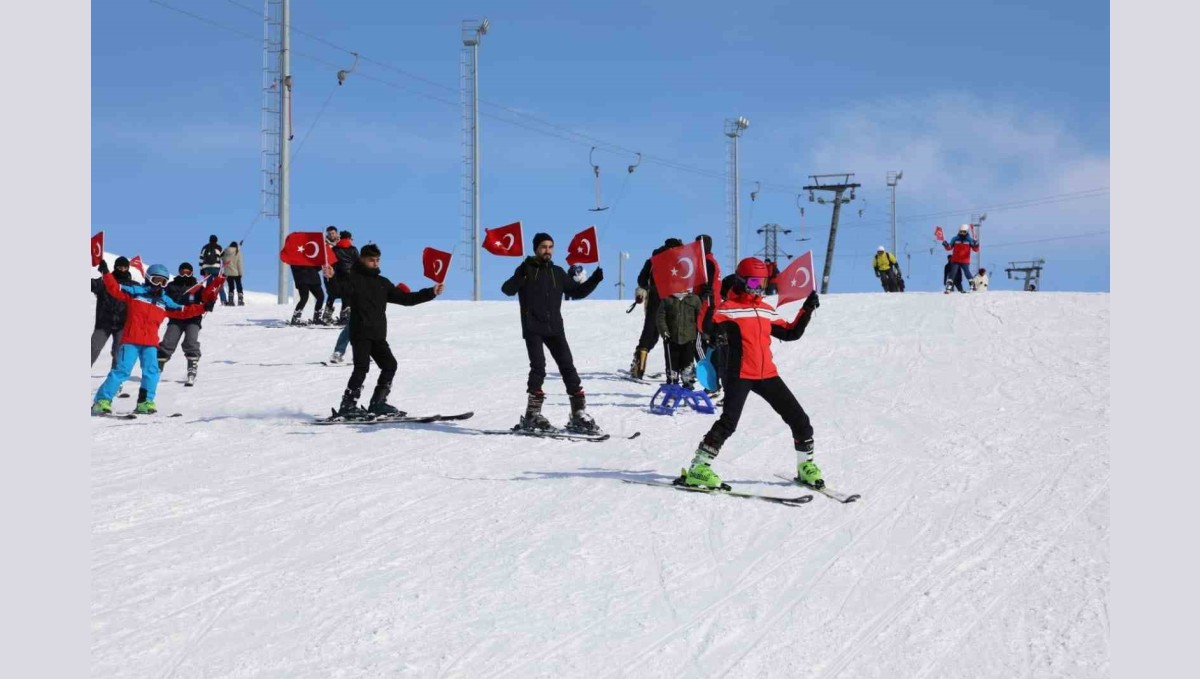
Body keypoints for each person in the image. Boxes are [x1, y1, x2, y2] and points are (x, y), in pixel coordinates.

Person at [679, 257, 823, 490]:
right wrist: (707, 299)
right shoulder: (728, 309)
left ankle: (805, 466)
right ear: (741, 280)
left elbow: (791, 333)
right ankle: (699, 468)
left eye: (763, 283)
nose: (759, 288)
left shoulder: (766, 310)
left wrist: (806, 309)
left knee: (800, 420)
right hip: (739, 374)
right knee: (729, 423)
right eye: (754, 283)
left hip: (767, 373)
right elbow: (706, 327)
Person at [501, 232, 605, 432]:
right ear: (536, 249)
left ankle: (578, 414)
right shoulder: (526, 270)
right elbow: (507, 289)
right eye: (543, 247)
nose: (547, 250)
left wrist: (594, 280)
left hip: (555, 328)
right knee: (538, 368)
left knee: (568, 367)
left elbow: (576, 291)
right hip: (533, 327)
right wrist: (520, 273)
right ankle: (532, 415)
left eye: (550, 247)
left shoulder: (557, 272)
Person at [323, 245, 443, 417]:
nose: (375, 263)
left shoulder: (382, 283)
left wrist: (431, 292)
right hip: (360, 333)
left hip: (378, 335)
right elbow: (337, 291)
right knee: (361, 368)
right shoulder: (353, 279)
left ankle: (378, 403)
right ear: (362, 259)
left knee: (390, 365)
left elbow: (406, 299)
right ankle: (347, 405)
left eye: (377, 260)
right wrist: (330, 278)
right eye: (371, 260)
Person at [92, 264, 215, 415]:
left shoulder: (165, 301)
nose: (159, 285)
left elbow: (182, 311)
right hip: (131, 340)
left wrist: (203, 307)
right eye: (156, 280)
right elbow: (115, 289)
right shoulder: (136, 293)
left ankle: (145, 402)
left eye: (163, 282)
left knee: (152, 371)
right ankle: (101, 401)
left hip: (150, 343)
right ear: (149, 279)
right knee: (122, 370)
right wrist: (106, 273)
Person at [628, 238, 683, 379]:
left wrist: (647, 288)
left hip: (655, 297)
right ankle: (674, 371)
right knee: (670, 334)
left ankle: (639, 367)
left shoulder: (653, 258)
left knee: (650, 331)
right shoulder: (680, 260)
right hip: (673, 299)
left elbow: (641, 279)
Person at [157, 262, 215, 387]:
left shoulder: (197, 286)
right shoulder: (172, 286)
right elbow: (163, 298)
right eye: (183, 272)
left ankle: (192, 368)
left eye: (188, 272)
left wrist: (210, 302)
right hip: (176, 318)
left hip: (193, 319)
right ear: (179, 272)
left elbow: (205, 297)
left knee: (190, 342)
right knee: (168, 342)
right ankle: (158, 368)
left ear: (192, 273)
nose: (185, 274)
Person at [695, 234, 723, 396]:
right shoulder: (709, 261)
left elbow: (708, 287)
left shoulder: (707, 263)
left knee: (700, 345)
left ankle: (712, 384)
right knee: (711, 347)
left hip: (707, 308)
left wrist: (700, 296)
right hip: (711, 307)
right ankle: (714, 384)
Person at [91, 256, 132, 369]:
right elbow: (91, 284)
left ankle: (115, 380)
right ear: (115, 267)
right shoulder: (104, 281)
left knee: (119, 353)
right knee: (93, 348)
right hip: (103, 323)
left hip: (122, 324)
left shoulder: (133, 285)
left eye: (125, 267)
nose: (122, 270)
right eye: (120, 267)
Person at [656, 290, 703, 388]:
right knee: (672, 365)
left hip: (689, 339)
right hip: (671, 340)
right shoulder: (667, 299)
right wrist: (664, 332)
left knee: (687, 365)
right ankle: (673, 386)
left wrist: (703, 333)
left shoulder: (694, 299)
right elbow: (660, 317)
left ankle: (688, 386)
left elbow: (700, 317)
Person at [324, 229, 358, 325]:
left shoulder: (335, 249)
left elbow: (331, 262)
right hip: (350, 277)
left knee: (332, 294)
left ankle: (326, 315)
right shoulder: (353, 249)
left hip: (336, 276)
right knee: (346, 296)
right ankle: (344, 317)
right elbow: (358, 263)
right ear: (348, 238)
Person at [942, 225, 979, 293]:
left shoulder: (969, 240)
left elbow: (975, 249)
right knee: (953, 273)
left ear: (967, 232)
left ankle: (972, 285)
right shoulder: (955, 239)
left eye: (964, 232)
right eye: (961, 232)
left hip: (964, 260)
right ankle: (949, 287)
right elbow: (949, 248)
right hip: (955, 260)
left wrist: (976, 245)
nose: (962, 233)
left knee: (967, 272)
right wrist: (946, 245)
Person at [290, 260, 325, 325]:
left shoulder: (311, 254)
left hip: (314, 278)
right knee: (304, 298)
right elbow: (294, 267)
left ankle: (317, 319)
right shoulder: (296, 256)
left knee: (321, 297)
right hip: (302, 279)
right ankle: (295, 319)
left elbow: (318, 267)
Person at [199, 234, 227, 305]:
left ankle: (207, 300)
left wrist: (202, 269)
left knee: (209, 285)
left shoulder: (204, 247)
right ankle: (223, 300)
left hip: (207, 269)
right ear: (216, 240)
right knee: (219, 284)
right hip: (216, 268)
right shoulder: (218, 247)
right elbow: (222, 258)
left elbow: (201, 259)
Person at [221, 241, 244, 306]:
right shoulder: (238, 252)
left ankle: (230, 300)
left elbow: (221, 258)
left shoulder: (225, 251)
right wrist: (240, 273)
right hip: (236, 273)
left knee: (231, 287)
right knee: (239, 286)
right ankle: (240, 299)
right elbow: (239, 264)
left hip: (227, 273)